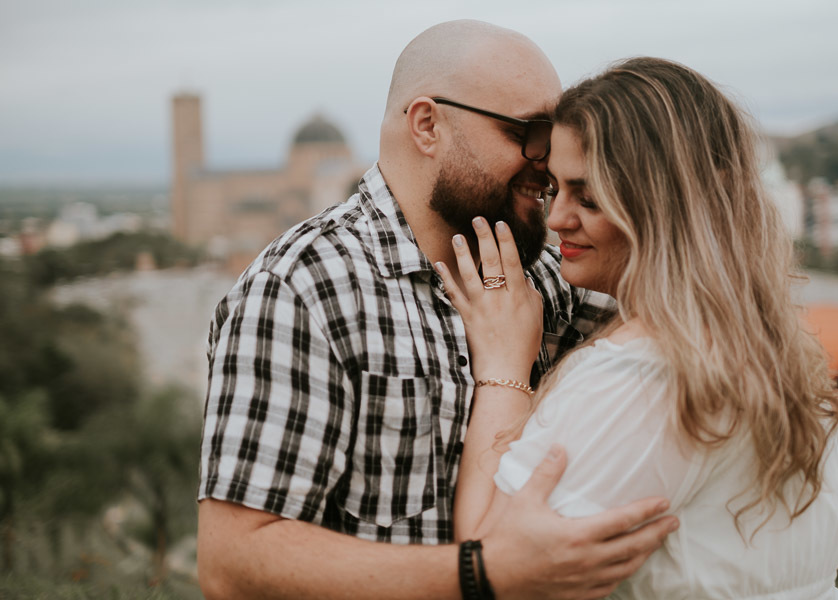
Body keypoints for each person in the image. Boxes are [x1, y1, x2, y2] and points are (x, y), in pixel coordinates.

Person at [196, 22, 678, 600]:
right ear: (428, 125)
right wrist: (482, 573)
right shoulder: (305, 289)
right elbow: (234, 561)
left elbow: (688, 326)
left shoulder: (550, 274)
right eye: (528, 132)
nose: (546, 161)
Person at [444, 57, 838, 599]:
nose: (558, 217)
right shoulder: (773, 348)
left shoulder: (641, 375)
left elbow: (497, 561)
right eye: (554, 190)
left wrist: (501, 367)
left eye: (588, 197)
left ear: (666, 205)